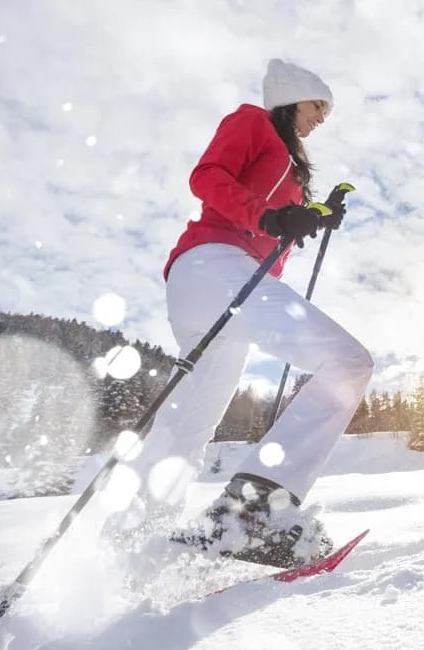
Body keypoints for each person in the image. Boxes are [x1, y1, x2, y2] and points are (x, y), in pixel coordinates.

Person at [104, 59, 374, 567]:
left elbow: (274, 218)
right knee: (348, 363)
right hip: (214, 265)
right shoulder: (252, 122)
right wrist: (270, 214)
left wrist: (314, 214)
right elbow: (209, 177)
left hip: (209, 280)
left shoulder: (290, 164)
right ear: (292, 96)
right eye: (319, 105)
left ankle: (135, 546)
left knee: (192, 421)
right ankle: (255, 514)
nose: (322, 118)